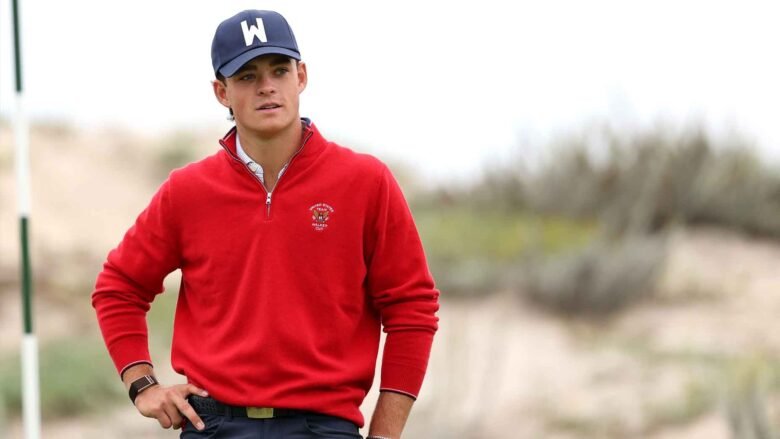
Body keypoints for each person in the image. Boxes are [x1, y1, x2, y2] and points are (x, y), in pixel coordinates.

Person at [91, 9, 439, 439]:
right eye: (247, 76)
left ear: (301, 76)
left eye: (279, 70)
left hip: (323, 428)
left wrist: (385, 433)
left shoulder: (366, 182)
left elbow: (412, 307)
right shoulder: (187, 191)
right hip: (213, 425)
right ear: (221, 91)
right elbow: (119, 286)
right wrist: (142, 384)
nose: (267, 86)